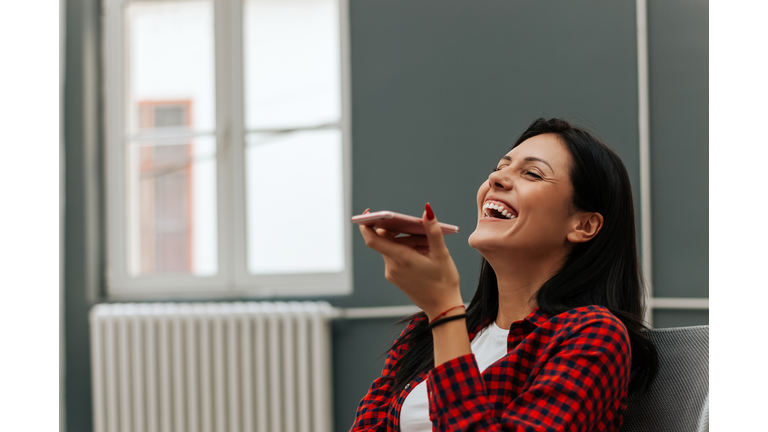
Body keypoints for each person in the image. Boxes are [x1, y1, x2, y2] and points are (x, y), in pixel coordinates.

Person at [351, 118, 659, 431]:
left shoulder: (592, 336)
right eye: (500, 167)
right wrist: (441, 317)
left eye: (532, 173)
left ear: (583, 225)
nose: (496, 180)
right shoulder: (423, 332)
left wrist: (445, 313)